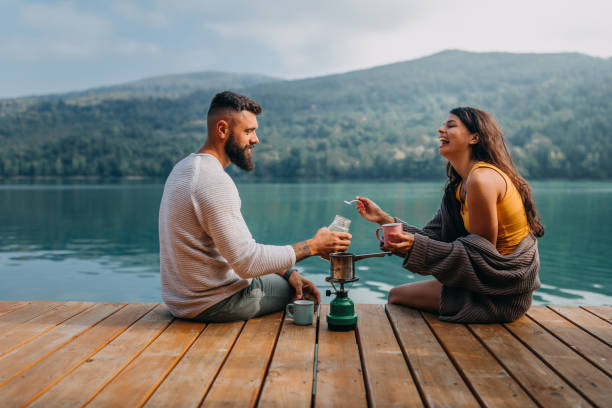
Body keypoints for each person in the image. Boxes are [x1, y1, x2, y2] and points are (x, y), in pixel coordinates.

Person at [159, 90, 351, 322]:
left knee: (290, 277)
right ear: (222, 130)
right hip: (215, 302)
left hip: (180, 300)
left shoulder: (184, 168)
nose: (255, 139)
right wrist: (314, 246)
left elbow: (236, 252)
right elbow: (247, 263)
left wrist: (288, 272)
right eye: (248, 131)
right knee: (301, 292)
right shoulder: (213, 181)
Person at [355, 107, 544, 323]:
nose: (440, 130)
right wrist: (383, 218)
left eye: (450, 125)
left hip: (500, 294)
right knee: (398, 294)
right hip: (483, 283)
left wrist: (415, 247)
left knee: (396, 296)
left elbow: (481, 258)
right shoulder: (460, 185)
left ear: (475, 137)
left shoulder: (482, 180)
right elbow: (432, 237)